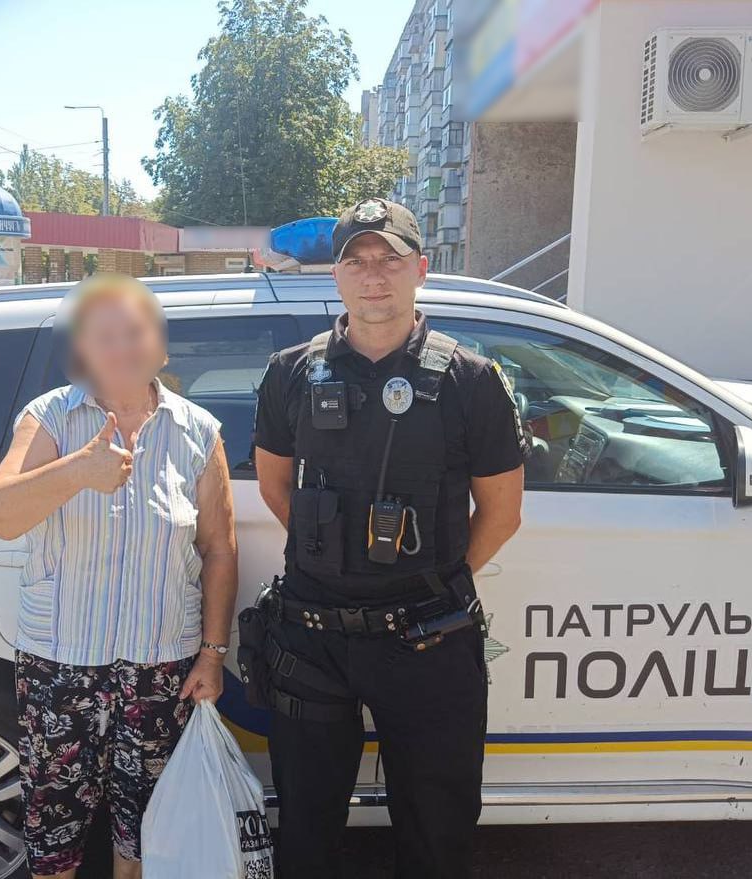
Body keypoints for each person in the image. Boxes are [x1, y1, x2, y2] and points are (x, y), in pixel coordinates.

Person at [250, 198, 526, 878]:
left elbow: (502, 510)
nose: (374, 275)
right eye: (357, 261)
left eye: (390, 259)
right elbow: (275, 486)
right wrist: (338, 562)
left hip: (429, 640)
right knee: (306, 831)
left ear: (420, 270)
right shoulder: (289, 372)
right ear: (336, 275)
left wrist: (431, 581)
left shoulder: (472, 380)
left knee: (437, 833)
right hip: (312, 637)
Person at [0, 273, 238, 879]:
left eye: (136, 332)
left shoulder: (198, 431)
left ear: (161, 347)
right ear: (83, 350)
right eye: (104, 335)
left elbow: (219, 549)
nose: (122, 347)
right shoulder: (49, 417)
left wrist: (212, 654)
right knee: (54, 831)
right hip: (60, 664)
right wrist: (78, 471)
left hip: (162, 669)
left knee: (145, 831)